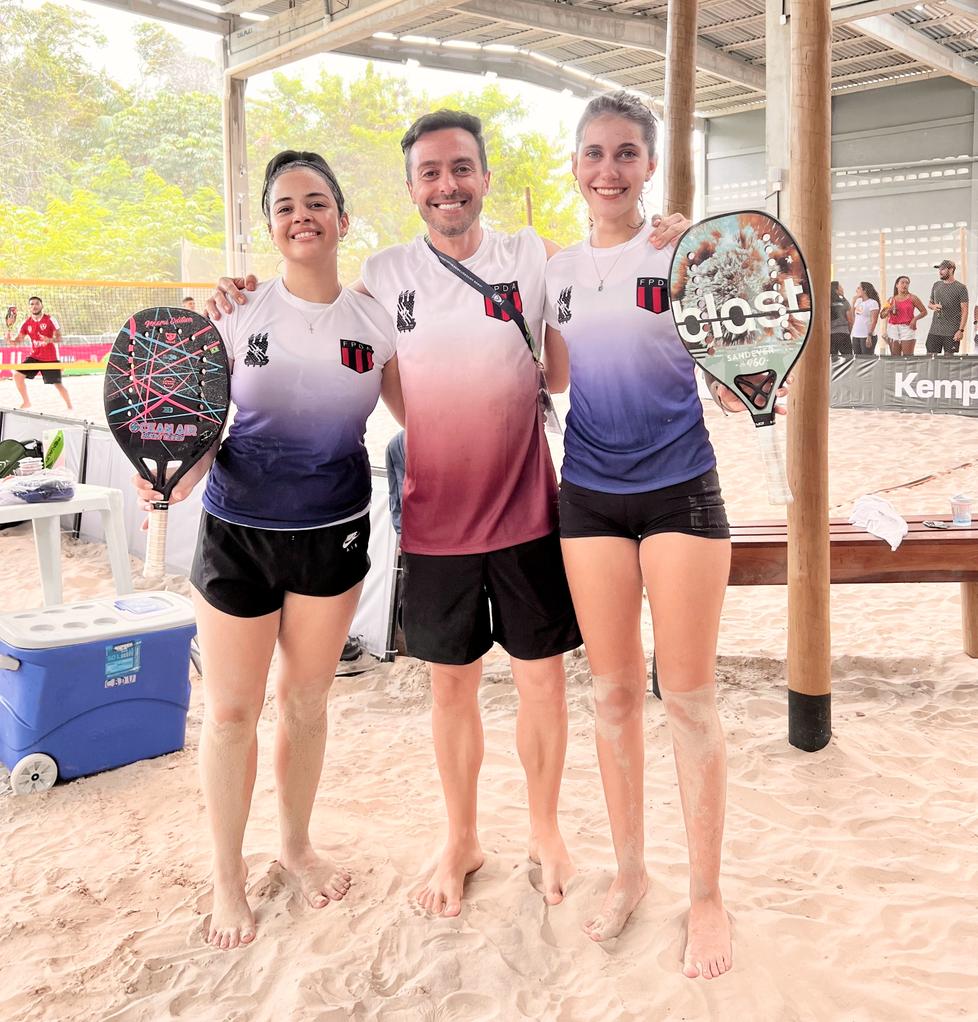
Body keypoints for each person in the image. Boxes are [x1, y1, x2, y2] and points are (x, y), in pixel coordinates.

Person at [208, 111, 689, 919]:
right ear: (410, 189)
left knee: (542, 685)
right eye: (429, 172)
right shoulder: (385, 273)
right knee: (451, 692)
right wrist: (239, 293)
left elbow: (597, 284)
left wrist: (665, 233)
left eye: (461, 167)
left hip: (529, 512)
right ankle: (460, 837)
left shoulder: (531, 255)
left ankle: (544, 832)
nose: (447, 185)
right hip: (435, 522)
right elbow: (318, 320)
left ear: (485, 177)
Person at [542, 91, 789, 980]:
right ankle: (631, 872)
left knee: (687, 698)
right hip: (588, 498)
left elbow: (734, 376)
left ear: (650, 166)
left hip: (680, 490)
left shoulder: (690, 257)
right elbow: (554, 376)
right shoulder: (557, 271)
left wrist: (743, 374)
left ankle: (707, 894)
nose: (608, 169)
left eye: (626, 153)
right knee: (611, 696)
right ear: (575, 165)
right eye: (594, 153)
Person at [136, 150, 402, 951]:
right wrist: (173, 477)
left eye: (316, 202)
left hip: (332, 533)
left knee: (306, 703)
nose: (301, 216)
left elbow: (424, 417)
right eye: (284, 206)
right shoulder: (234, 314)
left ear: (343, 219)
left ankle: (295, 846)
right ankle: (227, 874)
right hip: (237, 536)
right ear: (270, 228)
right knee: (229, 713)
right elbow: (198, 434)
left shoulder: (375, 322)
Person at [11, 296, 72, 409]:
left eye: (37, 303)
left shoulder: (50, 319)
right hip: (35, 357)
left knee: (58, 385)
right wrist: (10, 340)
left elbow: (59, 338)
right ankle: (26, 402)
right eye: (32, 304)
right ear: (29, 307)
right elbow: (18, 341)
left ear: (41, 305)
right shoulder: (26, 323)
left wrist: (50, 340)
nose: (34, 306)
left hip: (50, 358)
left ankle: (69, 406)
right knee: (17, 375)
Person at [926, 259, 968, 355]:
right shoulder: (936, 285)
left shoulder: (961, 288)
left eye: (943, 269)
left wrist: (961, 330)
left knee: (949, 360)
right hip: (934, 330)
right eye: (939, 269)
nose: (940, 272)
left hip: (952, 332)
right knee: (930, 358)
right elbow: (930, 304)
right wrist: (933, 306)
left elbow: (965, 311)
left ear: (951, 269)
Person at [880, 275, 927, 356]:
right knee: (895, 356)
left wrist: (914, 319)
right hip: (893, 329)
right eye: (902, 283)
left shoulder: (913, 298)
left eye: (907, 283)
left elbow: (924, 311)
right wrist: (888, 310)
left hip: (907, 328)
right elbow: (882, 315)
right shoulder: (891, 300)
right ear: (897, 285)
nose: (905, 285)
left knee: (908, 356)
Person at [850, 282, 880, 356]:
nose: (856, 290)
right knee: (857, 359)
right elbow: (853, 317)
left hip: (866, 336)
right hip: (856, 335)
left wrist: (869, 336)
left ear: (865, 290)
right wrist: (853, 303)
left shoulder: (873, 303)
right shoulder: (858, 302)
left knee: (866, 359)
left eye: (859, 288)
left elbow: (874, 321)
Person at [829, 281, 852, 357]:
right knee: (848, 358)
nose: (842, 288)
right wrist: (849, 331)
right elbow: (850, 320)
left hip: (831, 335)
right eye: (840, 287)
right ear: (836, 290)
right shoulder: (844, 302)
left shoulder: (828, 302)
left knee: (832, 359)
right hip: (843, 333)